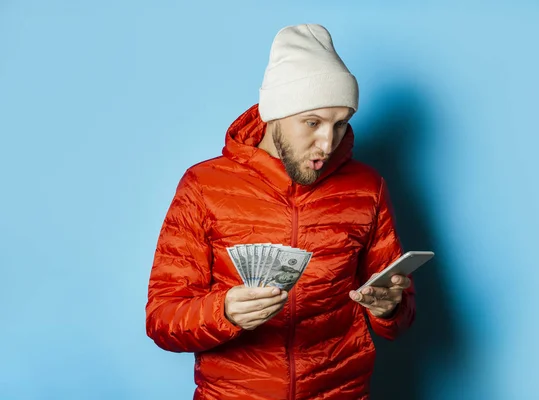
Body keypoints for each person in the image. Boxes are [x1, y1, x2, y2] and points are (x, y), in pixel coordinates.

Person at [145, 23, 416, 400]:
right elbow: (162, 320)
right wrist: (223, 312)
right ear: (275, 114)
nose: (327, 142)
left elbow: (398, 315)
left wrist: (391, 308)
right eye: (312, 123)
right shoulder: (203, 186)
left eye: (340, 124)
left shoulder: (367, 187)